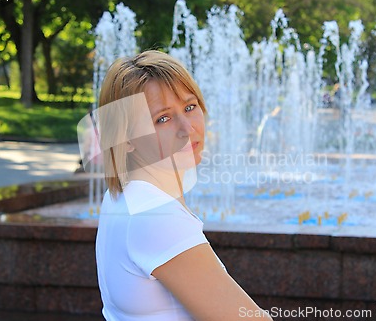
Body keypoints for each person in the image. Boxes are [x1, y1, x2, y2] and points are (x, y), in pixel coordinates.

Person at [94, 50, 272, 321]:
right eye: (162, 119)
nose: (187, 128)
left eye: (190, 107)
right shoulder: (155, 216)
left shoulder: (124, 195)